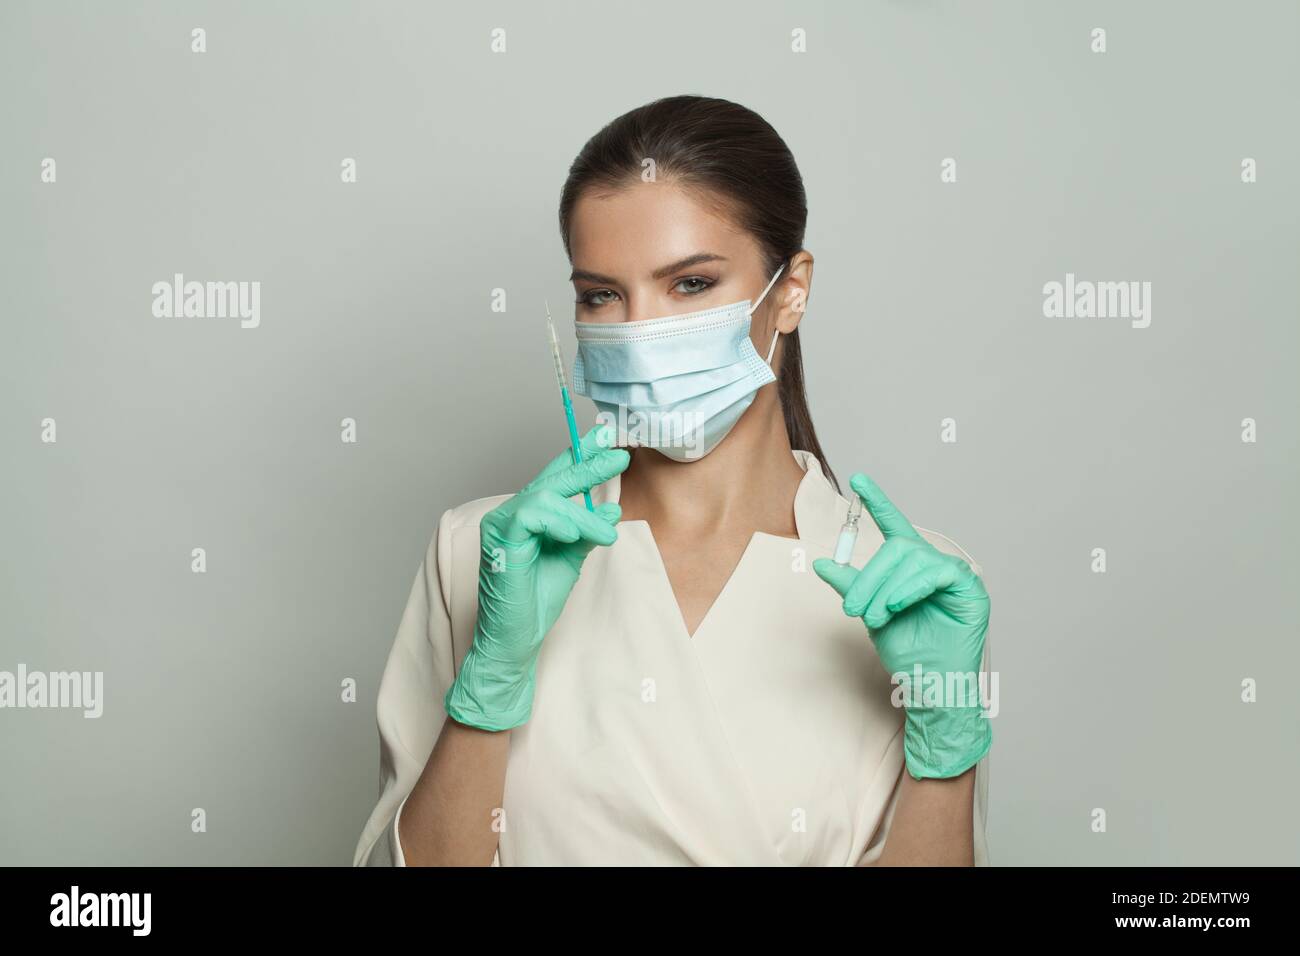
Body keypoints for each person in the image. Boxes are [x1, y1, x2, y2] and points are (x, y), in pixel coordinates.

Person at [354, 95, 992, 866]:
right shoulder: (482, 555)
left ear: (790, 291)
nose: (639, 334)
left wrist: (944, 752)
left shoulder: (907, 583)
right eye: (601, 294)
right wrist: (490, 683)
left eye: (690, 284)